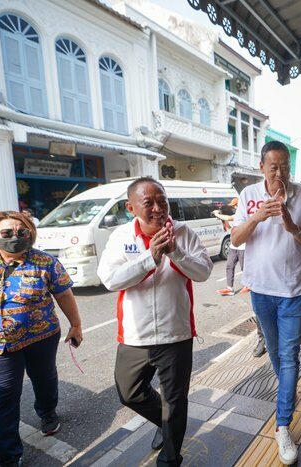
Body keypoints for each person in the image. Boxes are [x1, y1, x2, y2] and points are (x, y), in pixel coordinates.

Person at [97, 177, 213, 467]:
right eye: (148, 203)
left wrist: (175, 252)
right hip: (135, 336)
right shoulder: (120, 236)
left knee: (176, 401)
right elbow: (111, 279)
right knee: (129, 393)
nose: (158, 208)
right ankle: (166, 422)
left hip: (176, 334)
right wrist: (150, 257)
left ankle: (170, 458)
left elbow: (202, 273)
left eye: (162, 200)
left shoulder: (184, 233)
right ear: (131, 207)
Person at [0, 211, 82, 466]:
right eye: (7, 233)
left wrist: (75, 325)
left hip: (41, 336)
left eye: (22, 233)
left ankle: (47, 413)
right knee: (2, 400)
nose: (15, 238)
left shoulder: (45, 262)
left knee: (44, 378)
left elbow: (64, 294)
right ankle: (9, 456)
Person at [231, 140, 301, 465]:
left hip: (293, 290)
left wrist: (292, 227)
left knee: (290, 356)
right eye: (274, 166)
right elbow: (236, 240)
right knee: (274, 352)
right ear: (262, 167)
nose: (280, 171)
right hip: (260, 290)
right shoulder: (248, 195)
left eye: (285, 166)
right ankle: (288, 390)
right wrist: (256, 218)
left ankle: (282, 425)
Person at [213, 203, 266, 358]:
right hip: (258, 280)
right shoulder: (244, 216)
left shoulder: (243, 214)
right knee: (260, 312)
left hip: (276, 279)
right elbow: (235, 236)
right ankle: (262, 340)